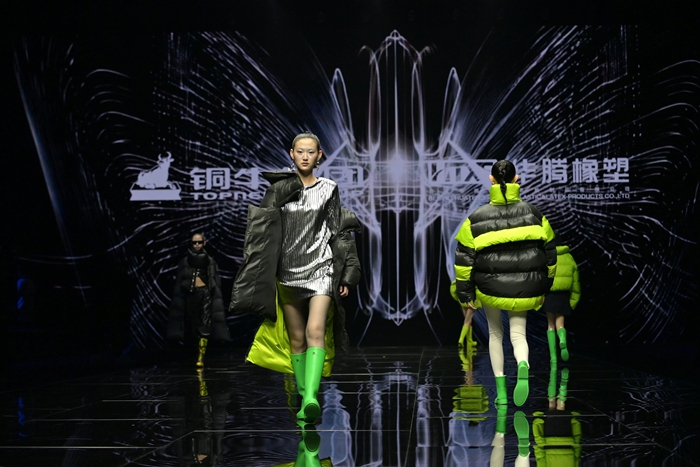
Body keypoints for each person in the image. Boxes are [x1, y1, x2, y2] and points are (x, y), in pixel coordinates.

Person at [230, 131, 361, 424]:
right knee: (297, 338)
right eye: (300, 151)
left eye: (310, 152)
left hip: (321, 268)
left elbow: (338, 232)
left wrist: (347, 274)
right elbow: (261, 234)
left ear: (319, 155)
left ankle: (312, 397)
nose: (305, 156)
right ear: (291, 154)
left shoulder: (329, 188)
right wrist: (257, 272)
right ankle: (303, 397)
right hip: (287, 272)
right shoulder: (278, 190)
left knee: (315, 330)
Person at [454, 159, 556, 407]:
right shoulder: (534, 214)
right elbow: (550, 253)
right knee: (519, 334)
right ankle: (523, 364)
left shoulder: (475, 218)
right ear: (516, 179)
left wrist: (465, 293)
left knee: (495, 335)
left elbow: (464, 259)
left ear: (491, 179)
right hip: (525, 286)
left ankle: (501, 393)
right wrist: (545, 286)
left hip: (490, 287)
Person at [167, 233, 230, 366]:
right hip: (190, 295)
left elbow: (216, 282)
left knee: (204, 326)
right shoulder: (184, 262)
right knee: (192, 326)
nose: (197, 245)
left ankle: (201, 357)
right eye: (194, 242)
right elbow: (179, 284)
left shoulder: (210, 262)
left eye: (199, 242)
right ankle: (194, 353)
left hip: (206, 294)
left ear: (204, 243)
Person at [541, 236, 581, 365]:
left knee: (550, 325)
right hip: (563, 295)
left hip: (549, 294)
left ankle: (553, 357)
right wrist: (574, 299)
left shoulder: (546, 258)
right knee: (560, 324)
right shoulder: (569, 257)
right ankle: (562, 340)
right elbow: (576, 281)